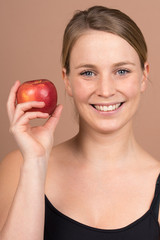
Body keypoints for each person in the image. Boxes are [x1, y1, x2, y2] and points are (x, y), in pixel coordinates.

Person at [0, 5, 160, 240]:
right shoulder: (18, 166)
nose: (105, 90)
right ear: (66, 80)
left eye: (122, 71)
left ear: (144, 76)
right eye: (88, 73)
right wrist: (35, 163)